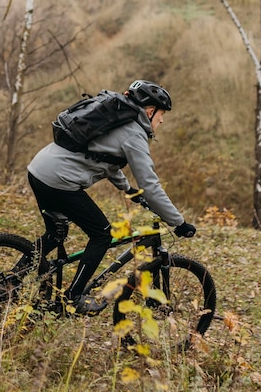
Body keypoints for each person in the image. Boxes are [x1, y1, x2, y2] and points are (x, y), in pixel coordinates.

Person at [26, 80, 196, 315]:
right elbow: (150, 185)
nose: (162, 120)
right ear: (150, 111)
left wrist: (129, 190)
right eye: (161, 115)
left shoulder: (119, 120)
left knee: (55, 235)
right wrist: (178, 222)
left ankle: (11, 279)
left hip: (39, 169)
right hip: (59, 180)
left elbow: (107, 160)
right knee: (102, 234)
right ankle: (74, 298)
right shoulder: (134, 135)